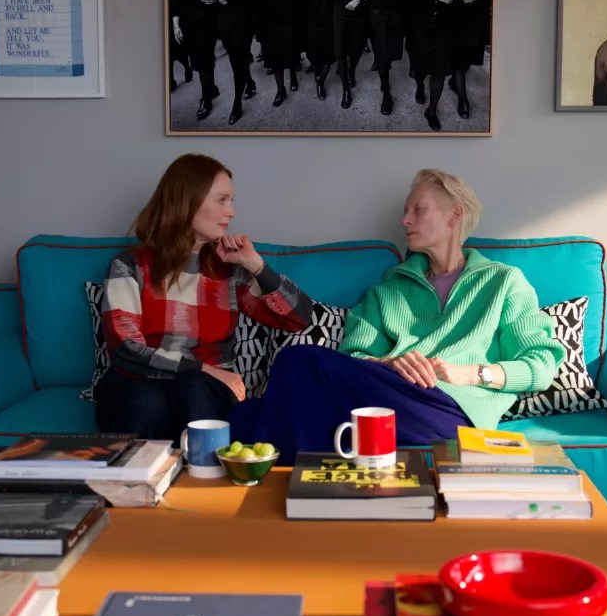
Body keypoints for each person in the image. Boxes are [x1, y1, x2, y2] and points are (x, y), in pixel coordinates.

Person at [230, 169, 566, 464]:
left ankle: (268, 478)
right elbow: (354, 358)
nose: (405, 220)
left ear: (455, 215)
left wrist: (471, 373)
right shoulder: (388, 290)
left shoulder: (503, 282)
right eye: (406, 211)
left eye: (418, 210)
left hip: (454, 413)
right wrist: (390, 363)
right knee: (294, 367)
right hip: (388, 401)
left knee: (272, 398)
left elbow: (541, 364)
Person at [95, 154, 314, 444]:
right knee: (146, 403)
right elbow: (126, 350)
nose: (232, 211)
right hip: (139, 383)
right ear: (188, 201)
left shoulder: (229, 270)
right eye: (222, 200)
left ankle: (203, 482)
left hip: (204, 389)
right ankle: (145, 483)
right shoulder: (130, 266)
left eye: (232, 200)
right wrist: (202, 367)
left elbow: (299, 318)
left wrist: (256, 266)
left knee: (195, 388)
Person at [407, 0, 459, 132]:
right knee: (419, 68)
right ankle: (420, 85)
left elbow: (466, 0)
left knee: (439, 71)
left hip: (445, 30)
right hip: (420, 29)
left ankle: (432, 110)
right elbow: (405, 0)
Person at [172, 0, 221, 120]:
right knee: (202, 60)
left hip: (206, 26)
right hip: (189, 27)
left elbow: (220, 0)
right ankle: (211, 89)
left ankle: (206, 99)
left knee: (202, 61)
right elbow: (175, 5)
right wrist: (176, 25)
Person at [450, 0, 492, 120]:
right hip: (460, 21)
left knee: (469, 60)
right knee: (459, 61)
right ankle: (463, 100)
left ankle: (454, 82)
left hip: (478, 22)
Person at [214, 0, 256, 125]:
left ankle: (236, 104)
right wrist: (218, 0)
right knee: (235, 60)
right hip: (226, 28)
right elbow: (220, 2)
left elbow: (253, 5)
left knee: (237, 63)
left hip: (242, 27)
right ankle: (251, 84)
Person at [332, 0, 369, 109]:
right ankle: (346, 89)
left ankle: (352, 71)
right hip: (340, 11)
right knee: (341, 50)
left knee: (356, 49)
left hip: (359, 10)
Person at [298, 0, 337, 101]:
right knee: (322, 53)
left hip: (323, 19)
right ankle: (319, 77)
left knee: (322, 52)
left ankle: (320, 82)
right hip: (318, 19)